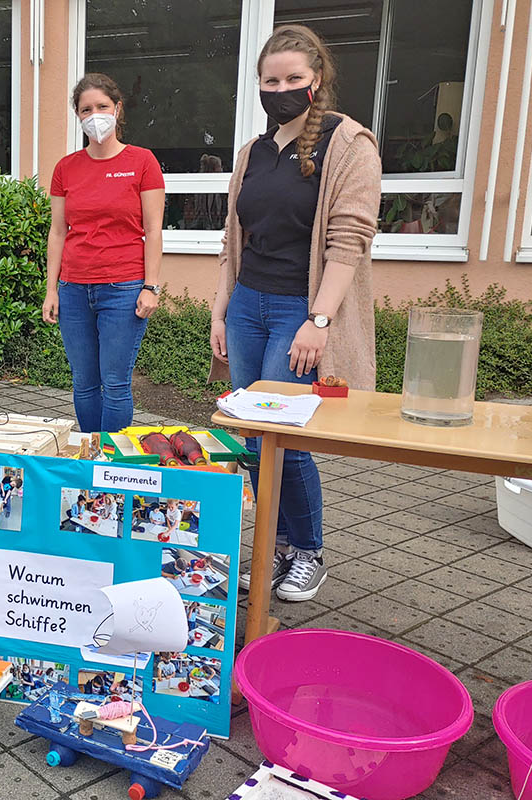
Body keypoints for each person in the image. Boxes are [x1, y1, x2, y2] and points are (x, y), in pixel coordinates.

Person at [209, 24, 381, 603]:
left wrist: (320, 320)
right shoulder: (253, 152)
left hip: (298, 310)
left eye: (293, 79)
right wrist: (220, 308)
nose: (280, 89)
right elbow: (235, 239)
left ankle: (307, 551)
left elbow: (349, 239)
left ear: (317, 81)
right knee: (251, 436)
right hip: (248, 306)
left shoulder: (348, 144)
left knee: (283, 436)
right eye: (270, 80)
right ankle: (274, 546)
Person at [43, 73, 165, 433]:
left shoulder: (142, 162)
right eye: (85, 109)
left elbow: (154, 230)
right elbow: (58, 231)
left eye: (101, 107)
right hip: (74, 289)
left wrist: (151, 285)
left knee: (114, 384)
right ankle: (89, 457)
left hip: (124, 289)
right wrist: (52, 289)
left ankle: (112, 467)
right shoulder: (66, 168)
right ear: (78, 116)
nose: (94, 115)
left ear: (118, 109)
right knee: (83, 383)